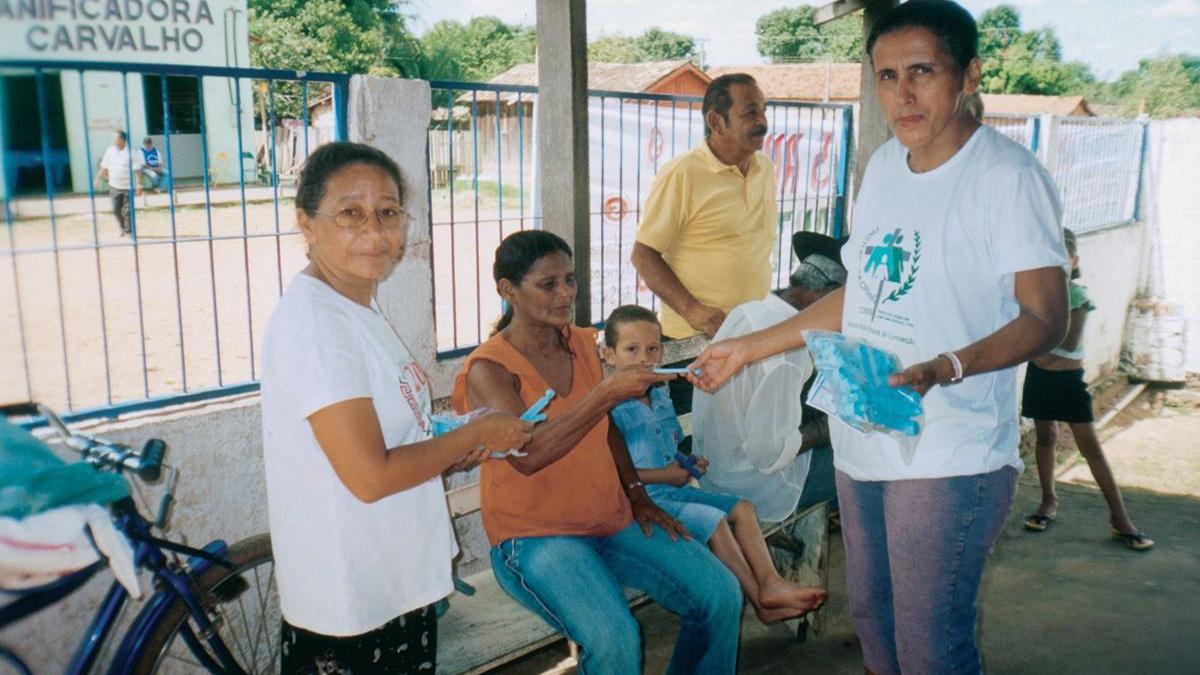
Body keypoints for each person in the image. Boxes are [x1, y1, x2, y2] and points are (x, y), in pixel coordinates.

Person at [690, 2, 1071, 673]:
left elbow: (1045, 317)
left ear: (970, 74)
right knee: (875, 629)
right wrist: (748, 348)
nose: (904, 93)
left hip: (950, 448)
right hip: (864, 438)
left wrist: (949, 364)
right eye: (887, 76)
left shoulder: (1008, 178)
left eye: (922, 71)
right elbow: (858, 293)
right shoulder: (885, 169)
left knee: (931, 648)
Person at [259, 141, 533, 673]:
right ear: (306, 224)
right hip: (353, 603)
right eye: (350, 214)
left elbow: (388, 436)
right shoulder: (320, 326)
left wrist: (454, 437)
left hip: (388, 582)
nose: (375, 231)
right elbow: (370, 476)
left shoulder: (356, 303)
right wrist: (478, 435)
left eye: (388, 213)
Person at [453, 230, 742, 674]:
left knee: (720, 594)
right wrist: (605, 394)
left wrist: (637, 495)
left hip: (609, 518)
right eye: (548, 285)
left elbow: (605, 431)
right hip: (535, 537)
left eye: (570, 280)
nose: (566, 293)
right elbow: (528, 456)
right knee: (615, 638)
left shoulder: (581, 343)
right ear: (507, 290)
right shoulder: (489, 369)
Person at [602, 303, 827, 625]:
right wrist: (664, 474)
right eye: (631, 350)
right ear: (608, 355)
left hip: (674, 492)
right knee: (717, 521)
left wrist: (686, 461)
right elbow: (610, 472)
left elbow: (667, 448)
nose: (644, 359)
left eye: (652, 349)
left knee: (743, 508)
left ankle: (770, 582)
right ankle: (759, 599)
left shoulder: (661, 395)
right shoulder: (611, 407)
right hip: (642, 503)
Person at [632, 72, 777, 420]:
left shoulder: (763, 167)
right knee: (695, 442)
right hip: (696, 342)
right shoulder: (682, 173)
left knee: (743, 435)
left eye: (763, 111)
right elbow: (643, 254)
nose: (762, 122)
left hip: (751, 333)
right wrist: (694, 311)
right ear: (715, 120)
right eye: (749, 113)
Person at [693, 232, 846, 525]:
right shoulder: (787, 351)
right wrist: (824, 430)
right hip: (753, 489)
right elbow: (769, 454)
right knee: (860, 450)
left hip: (714, 471)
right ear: (827, 296)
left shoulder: (748, 310)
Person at [1022, 229, 1153, 550]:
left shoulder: (1077, 297)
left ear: (1074, 261)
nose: (1055, 264)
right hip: (1040, 378)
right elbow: (1035, 344)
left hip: (1068, 384)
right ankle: (1048, 501)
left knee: (1090, 447)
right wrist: (1032, 346)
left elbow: (1061, 344)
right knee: (1046, 436)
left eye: (1062, 257)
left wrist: (1029, 346)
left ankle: (1120, 518)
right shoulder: (1034, 295)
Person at [98, 131, 141, 236]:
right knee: (115, 210)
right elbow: (104, 166)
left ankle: (129, 231)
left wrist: (139, 184)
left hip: (128, 187)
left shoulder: (132, 152)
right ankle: (122, 227)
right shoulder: (110, 150)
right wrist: (98, 179)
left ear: (122, 140)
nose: (113, 140)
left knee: (128, 211)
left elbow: (138, 169)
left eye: (115, 138)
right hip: (114, 186)